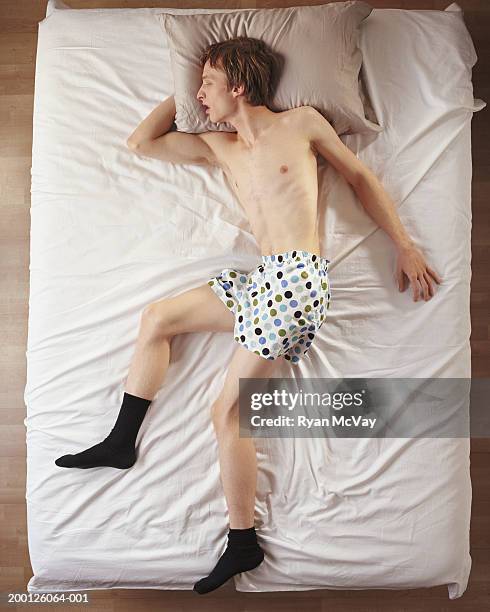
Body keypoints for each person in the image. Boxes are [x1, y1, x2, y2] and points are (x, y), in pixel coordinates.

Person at [55, 36, 442, 594]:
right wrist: (184, 80)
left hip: (297, 282)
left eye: (208, 84)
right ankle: (121, 441)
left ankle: (243, 542)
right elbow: (142, 142)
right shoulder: (220, 145)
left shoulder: (302, 122)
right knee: (158, 317)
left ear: (239, 85)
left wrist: (404, 244)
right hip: (261, 279)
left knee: (227, 413)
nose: (199, 96)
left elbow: (359, 178)